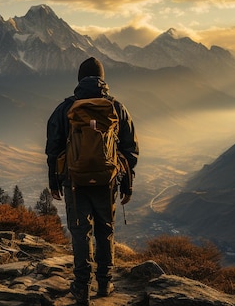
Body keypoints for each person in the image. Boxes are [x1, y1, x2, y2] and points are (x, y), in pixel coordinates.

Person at [45, 57, 139, 305]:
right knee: (105, 231)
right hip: (107, 181)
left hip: (74, 181)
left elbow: (53, 149)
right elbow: (130, 150)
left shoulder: (65, 108)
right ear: (103, 79)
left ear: (78, 79)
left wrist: (54, 183)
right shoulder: (116, 107)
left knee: (80, 232)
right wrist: (126, 183)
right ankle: (105, 283)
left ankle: (81, 287)